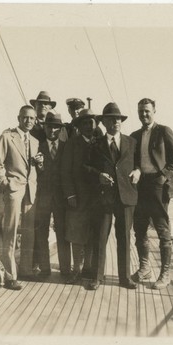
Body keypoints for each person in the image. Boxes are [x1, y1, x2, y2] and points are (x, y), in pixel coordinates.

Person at [130, 98, 173, 289]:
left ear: (154, 111)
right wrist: (136, 169)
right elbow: (133, 161)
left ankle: (165, 274)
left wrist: (162, 177)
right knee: (140, 229)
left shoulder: (164, 131)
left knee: (162, 231)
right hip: (140, 186)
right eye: (141, 111)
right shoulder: (134, 135)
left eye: (147, 111)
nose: (144, 114)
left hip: (159, 186)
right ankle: (144, 269)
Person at [86, 102, 140, 290]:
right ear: (104, 123)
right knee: (100, 238)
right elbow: (86, 167)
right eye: (111, 119)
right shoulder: (96, 144)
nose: (116, 122)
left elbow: (139, 164)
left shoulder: (132, 143)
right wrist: (97, 176)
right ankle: (97, 277)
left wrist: (139, 171)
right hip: (103, 198)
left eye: (118, 119)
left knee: (124, 237)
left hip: (126, 197)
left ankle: (124, 278)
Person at [0, 105, 43, 290]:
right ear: (19, 118)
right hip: (13, 189)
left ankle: (26, 269)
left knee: (29, 232)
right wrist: (6, 184)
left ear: (35, 120)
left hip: (30, 191)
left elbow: (35, 169)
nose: (28, 121)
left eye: (31, 118)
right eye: (25, 118)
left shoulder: (35, 141)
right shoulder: (7, 137)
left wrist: (40, 164)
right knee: (10, 231)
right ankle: (10, 275)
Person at [61, 108, 100, 283]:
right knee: (76, 234)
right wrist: (70, 195)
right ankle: (76, 269)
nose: (88, 126)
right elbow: (65, 172)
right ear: (79, 126)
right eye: (84, 123)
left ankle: (88, 268)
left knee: (92, 234)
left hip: (96, 198)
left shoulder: (100, 144)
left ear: (96, 124)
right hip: (77, 197)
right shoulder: (72, 144)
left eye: (91, 122)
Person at [33, 111, 71, 279]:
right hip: (43, 197)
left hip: (61, 198)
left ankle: (65, 270)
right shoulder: (37, 146)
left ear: (60, 129)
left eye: (56, 127)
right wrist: (39, 166)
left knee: (63, 233)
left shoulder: (66, 147)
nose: (52, 131)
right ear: (45, 127)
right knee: (42, 233)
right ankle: (45, 269)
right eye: (49, 127)